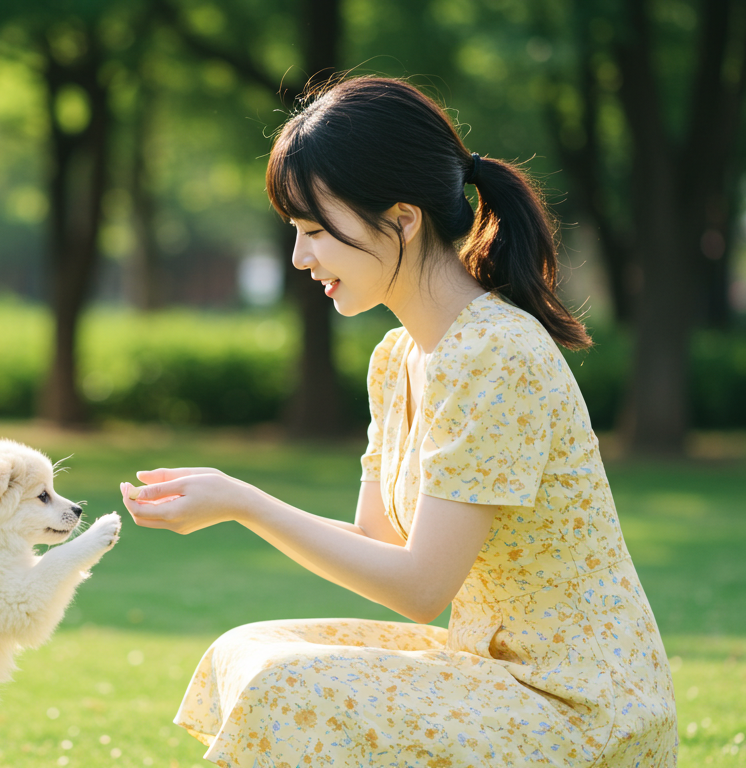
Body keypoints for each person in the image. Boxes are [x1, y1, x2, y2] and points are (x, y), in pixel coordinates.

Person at [117, 77, 677, 768]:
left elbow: (420, 588)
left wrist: (243, 502)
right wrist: (232, 501)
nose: (300, 258)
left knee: (288, 686)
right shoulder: (399, 359)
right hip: (494, 678)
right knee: (248, 650)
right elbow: (373, 540)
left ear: (403, 218)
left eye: (316, 231)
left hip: (577, 710)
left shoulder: (497, 351)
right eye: (296, 233)